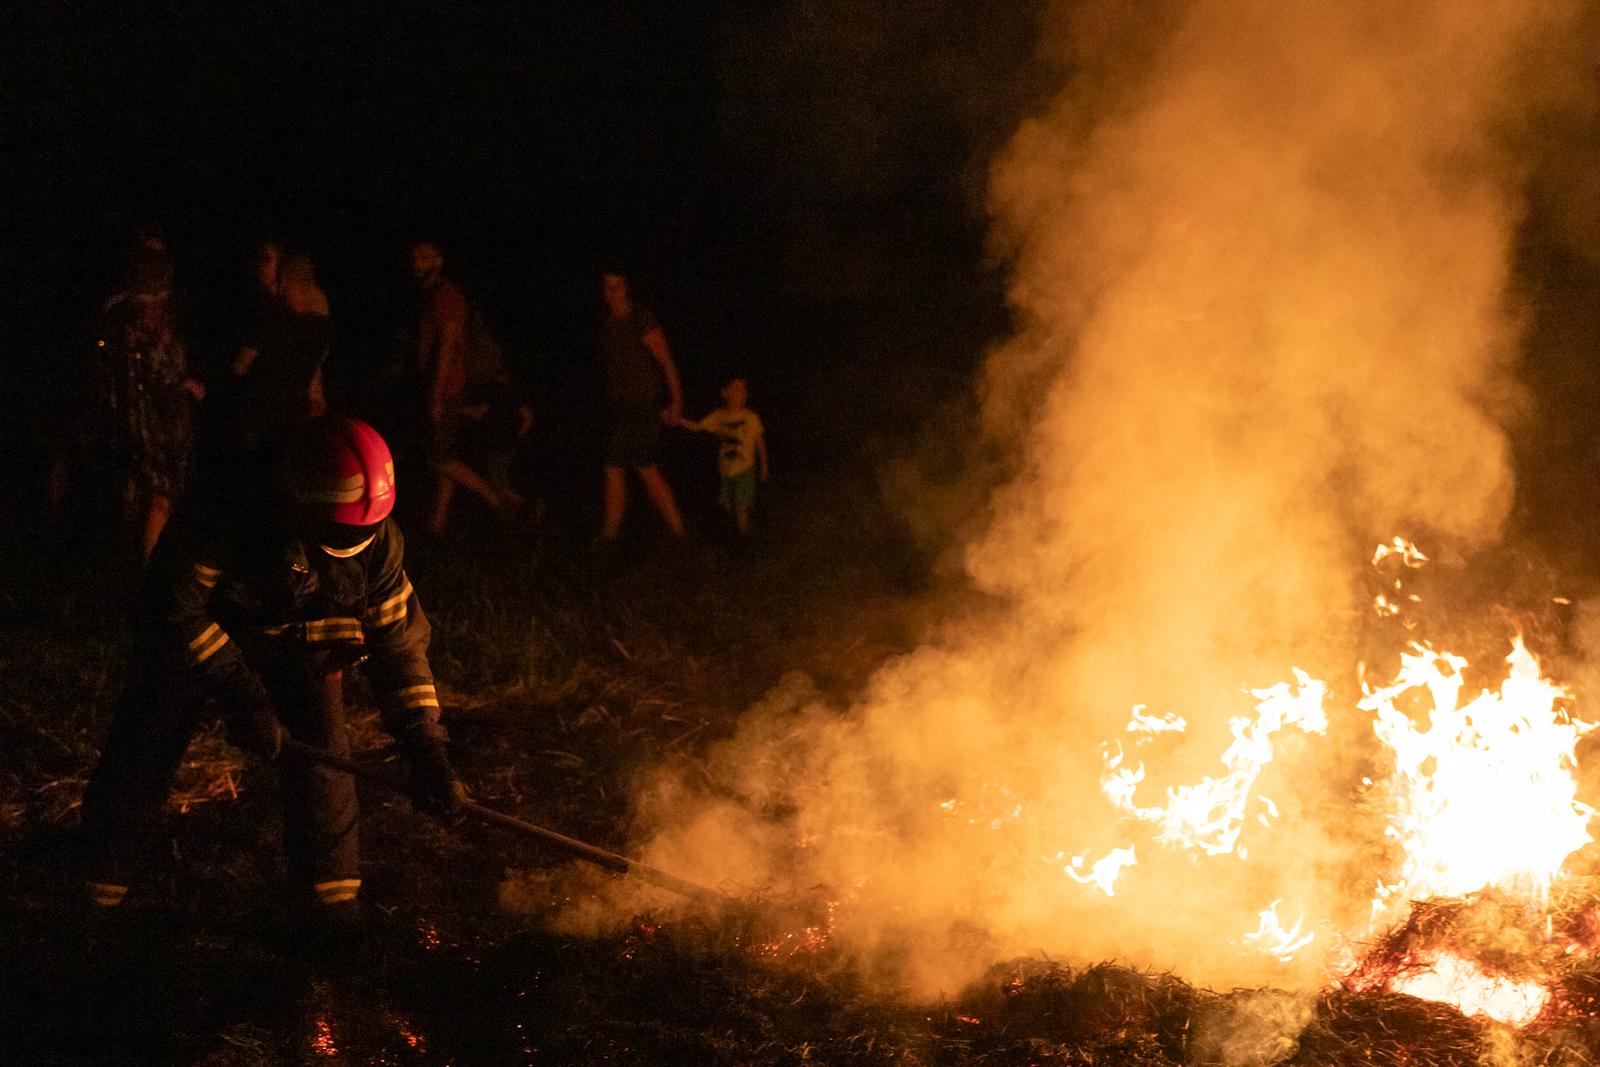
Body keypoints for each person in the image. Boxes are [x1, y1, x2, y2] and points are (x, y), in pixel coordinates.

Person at [78, 417, 468, 932]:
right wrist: (246, 699)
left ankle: (329, 911)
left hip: (302, 653)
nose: (352, 542)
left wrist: (427, 750)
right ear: (296, 501)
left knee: (325, 759)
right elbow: (174, 611)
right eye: (337, 531)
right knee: (148, 740)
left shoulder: (378, 543)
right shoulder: (225, 514)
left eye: (363, 531)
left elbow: (399, 648)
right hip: (201, 643)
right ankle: (93, 894)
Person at [91, 240, 205, 559]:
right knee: (161, 498)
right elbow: (161, 376)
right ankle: (150, 567)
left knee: (137, 491)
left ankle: (130, 556)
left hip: (130, 419)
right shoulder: (150, 326)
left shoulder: (117, 319)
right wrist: (187, 385)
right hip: (158, 424)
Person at [409, 241, 505, 533]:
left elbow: (448, 347)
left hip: (449, 388)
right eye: (416, 258)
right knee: (445, 453)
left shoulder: (446, 296)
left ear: (439, 261)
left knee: (439, 458)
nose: (419, 264)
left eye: (426, 257)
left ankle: (494, 499)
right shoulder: (430, 296)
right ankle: (438, 522)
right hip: (443, 386)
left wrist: (437, 396)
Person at [596, 269, 686, 541]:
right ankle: (609, 536)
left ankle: (679, 533)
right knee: (613, 468)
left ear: (627, 288)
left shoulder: (640, 318)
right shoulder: (607, 323)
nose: (613, 293)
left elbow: (665, 360)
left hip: (643, 403)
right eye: (608, 287)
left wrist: (676, 400)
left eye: (618, 286)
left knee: (646, 468)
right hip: (619, 406)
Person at [680, 376, 769, 536]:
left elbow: (759, 442)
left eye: (743, 389)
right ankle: (730, 533)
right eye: (736, 388)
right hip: (726, 469)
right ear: (725, 393)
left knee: (741, 504)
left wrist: (764, 466)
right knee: (727, 505)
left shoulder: (751, 417)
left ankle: (744, 535)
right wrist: (678, 420)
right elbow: (698, 426)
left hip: (745, 468)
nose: (741, 393)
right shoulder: (718, 416)